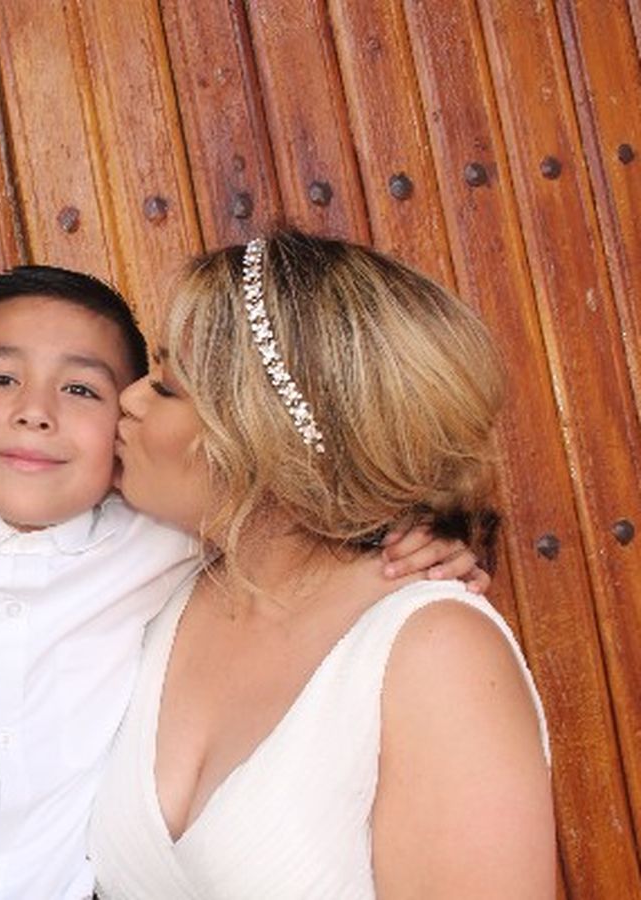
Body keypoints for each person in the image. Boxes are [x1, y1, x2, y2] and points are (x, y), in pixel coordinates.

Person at [0, 265, 488, 900]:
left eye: (164, 388)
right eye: (1, 378)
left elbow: (307, 523)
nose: (38, 412)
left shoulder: (165, 547)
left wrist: (424, 536)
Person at [90, 231, 554, 898]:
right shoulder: (145, 585)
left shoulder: (435, 654)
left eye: (165, 387)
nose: (128, 399)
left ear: (264, 435)